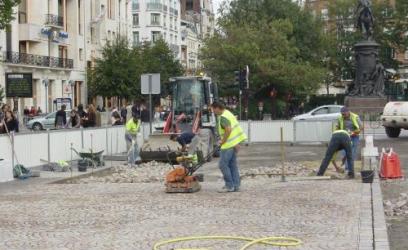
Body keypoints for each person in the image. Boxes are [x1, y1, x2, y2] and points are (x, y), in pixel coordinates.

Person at [211, 101, 247, 193]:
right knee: (232, 165)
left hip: (228, 145)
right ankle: (236, 185)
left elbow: (228, 130)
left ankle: (229, 186)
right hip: (234, 144)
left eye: (213, 109)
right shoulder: (228, 113)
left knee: (222, 165)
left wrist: (222, 141)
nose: (213, 112)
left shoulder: (223, 117)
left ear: (218, 108)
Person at [336, 107, 362, 174]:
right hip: (344, 137)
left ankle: (348, 169)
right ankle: (346, 167)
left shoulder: (355, 117)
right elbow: (337, 127)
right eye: (342, 114)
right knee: (344, 153)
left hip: (354, 137)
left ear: (348, 112)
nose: (343, 116)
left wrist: (353, 132)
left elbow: (361, 127)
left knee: (351, 153)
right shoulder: (340, 118)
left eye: (344, 114)